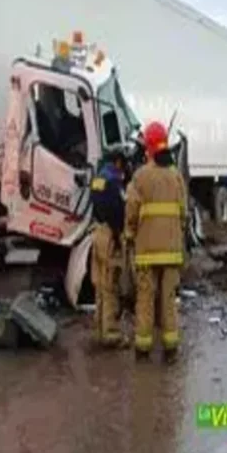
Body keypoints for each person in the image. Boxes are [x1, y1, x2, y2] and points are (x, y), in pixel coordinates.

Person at [125, 121, 187, 363]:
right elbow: (183, 213)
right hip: (172, 252)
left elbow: (131, 210)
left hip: (146, 252)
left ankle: (143, 349)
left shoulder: (140, 177)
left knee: (145, 299)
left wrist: (130, 234)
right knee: (168, 300)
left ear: (148, 147)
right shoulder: (176, 176)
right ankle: (170, 349)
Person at [90, 147, 131, 349]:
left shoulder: (97, 180)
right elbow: (118, 210)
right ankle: (111, 334)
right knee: (111, 285)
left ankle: (99, 329)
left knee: (99, 285)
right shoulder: (114, 183)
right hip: (109, 237)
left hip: (96, 233)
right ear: (117, 162)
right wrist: (118, 233)